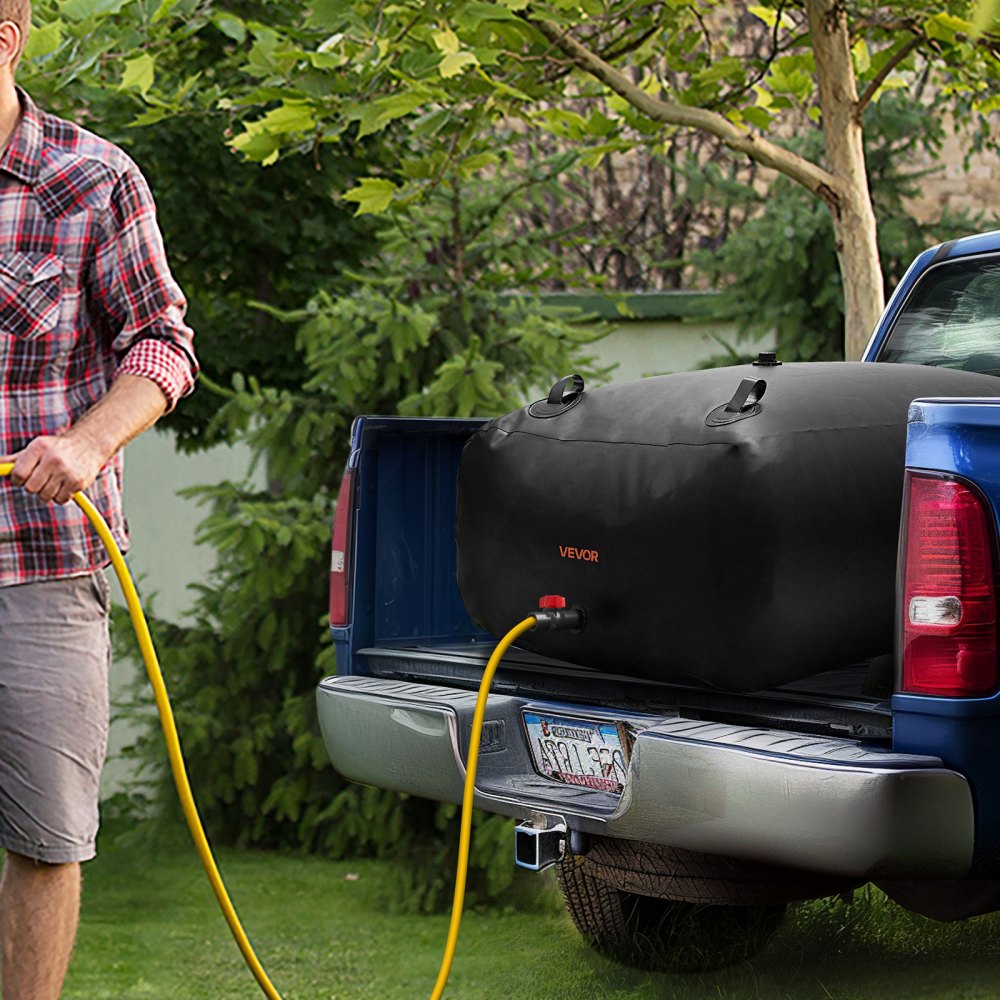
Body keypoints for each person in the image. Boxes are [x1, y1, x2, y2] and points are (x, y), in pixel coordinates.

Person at [0, 3, 198, 996]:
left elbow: (162, 345)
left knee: (44, 837)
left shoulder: (90, 180)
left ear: (6, 35)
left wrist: (85, 441)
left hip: (38, 566)